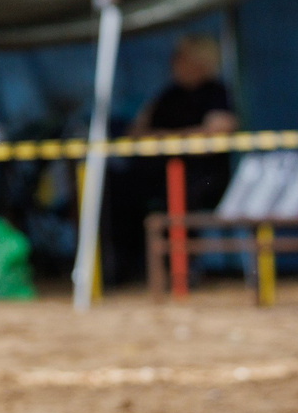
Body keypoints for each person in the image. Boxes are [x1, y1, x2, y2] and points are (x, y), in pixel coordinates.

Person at [103, 34, 240, 283]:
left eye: (180, 57)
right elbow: (135, 130)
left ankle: (182, 270)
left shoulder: (216, 92)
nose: (173, 63)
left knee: (183, 197)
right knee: (115, 191)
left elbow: (218, 129)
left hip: (203, 175)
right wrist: (171, 137)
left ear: (200, 61)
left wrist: (165, 138)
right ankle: (126, 267)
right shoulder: (167, 94)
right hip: (158, 172)